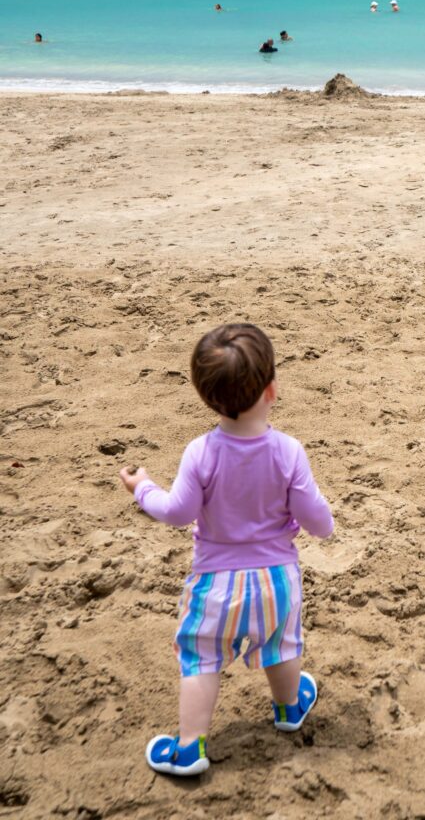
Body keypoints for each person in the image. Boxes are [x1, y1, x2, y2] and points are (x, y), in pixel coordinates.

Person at [118, 323, 334, 777]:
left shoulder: (201, 452)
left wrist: (143, 489)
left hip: (215, 585)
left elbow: (177, 512)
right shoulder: (288, 452)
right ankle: (289, 709)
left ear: (207, 397)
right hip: (276, 582)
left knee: (201, 660)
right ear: (272, 389)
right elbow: (318, 522)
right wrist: (324, 521)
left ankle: (187, 747)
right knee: (281, 646)